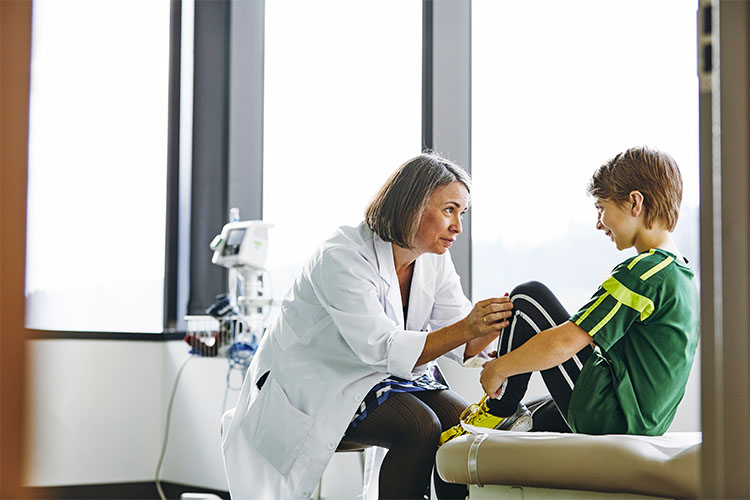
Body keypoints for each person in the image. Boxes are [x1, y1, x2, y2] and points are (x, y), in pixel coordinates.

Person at [221, 153, 526, 500]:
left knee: (462, 426)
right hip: (317, 382)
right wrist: (469, 327)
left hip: (380, 376)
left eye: (462, 213)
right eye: (449, 210)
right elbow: (380, 347)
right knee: (419, 426)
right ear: (412, 206)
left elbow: (460, 338)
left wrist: (498, 322)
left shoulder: (434, 262)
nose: (457, 226)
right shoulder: (342, 256)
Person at [440, 146, 699, 444]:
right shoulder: (680, 274)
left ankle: (500, 407)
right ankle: (509, 414)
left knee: (526, 300)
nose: (600, 223)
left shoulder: (645, 272)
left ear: (634, 202)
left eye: (602, 207)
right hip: (636, 419)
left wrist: (500, 367)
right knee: (534, 414)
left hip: (613, 418)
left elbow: (566, 342)